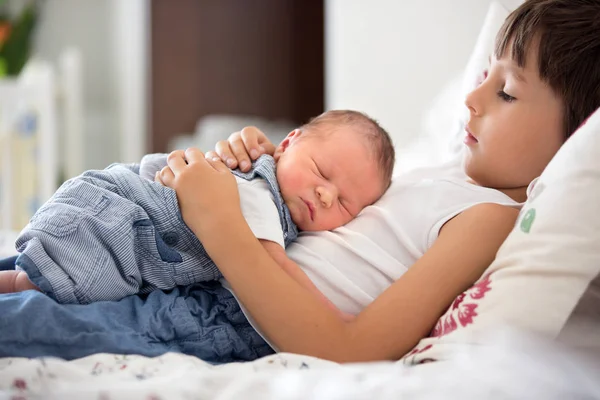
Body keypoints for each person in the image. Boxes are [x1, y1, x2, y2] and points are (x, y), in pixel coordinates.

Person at [0, 0, 598, 364]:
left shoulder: (490, 218)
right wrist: (260, 171)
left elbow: (351, 348)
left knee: (36, 324)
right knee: (42, 266)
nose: (470, 98)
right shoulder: (445, 172)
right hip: (204, 264)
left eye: (507, 91)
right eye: (484, 75)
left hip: (232, 314)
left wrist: (223, 224)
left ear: (575, 140)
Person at [0, 110, 394, 316]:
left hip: (108, 212)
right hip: (118, 222)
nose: (326, 196)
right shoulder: (263, 195)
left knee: (37, 269)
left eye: (345, 204)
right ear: (287, 143)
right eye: (322, 173)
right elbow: (274, 270)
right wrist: (329, 315)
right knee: (40, 285)